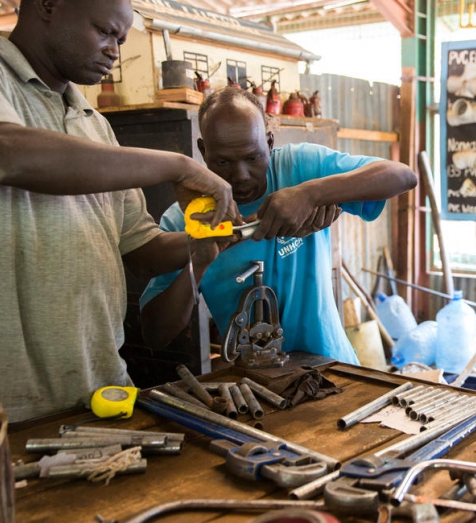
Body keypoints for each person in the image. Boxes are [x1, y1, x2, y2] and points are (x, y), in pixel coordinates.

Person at [0, 0, 237, 422]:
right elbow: (2, 154)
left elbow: (140, 249)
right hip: (4, 409)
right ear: (48, 6)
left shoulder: (94, 124)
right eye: (104, 31)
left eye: (121, 38)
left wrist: (206, 241)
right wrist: (178, 164)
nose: (115, 50)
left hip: (103, 390)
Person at [140, 87, 417, 365]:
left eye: (253, 157)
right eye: (223, 161)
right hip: (255, 386)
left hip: (334, 368)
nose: (240, 176)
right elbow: (155, 335)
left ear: (270, 143)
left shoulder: (299, 168)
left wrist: (310, 194)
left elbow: (402, 176)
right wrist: (197, 263)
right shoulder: (187, 219)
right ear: (203, 151)